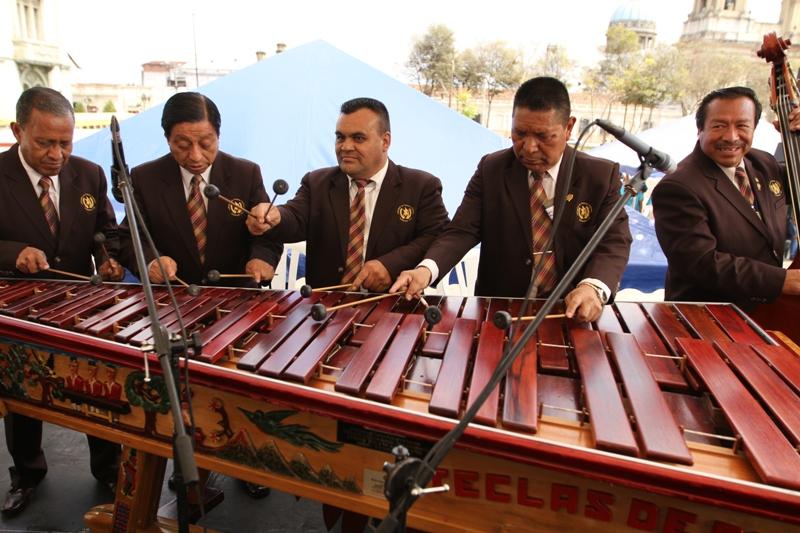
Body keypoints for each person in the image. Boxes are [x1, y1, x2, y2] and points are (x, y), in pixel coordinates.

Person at [391, 77, 632, 323]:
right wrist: (426, 270)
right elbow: (461, 231)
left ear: (569, 127)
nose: (528, 147)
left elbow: (614, 242)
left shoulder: (600, 176)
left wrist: (592, 287)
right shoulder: (491, 169)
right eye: (519, 133)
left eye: (543, 136)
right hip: (498, 315)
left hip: (569, 312)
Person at [0, 86, 123, 516]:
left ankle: (108, 467)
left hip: (80, 301)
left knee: (98, 383)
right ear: (18, 131)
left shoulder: (88, 175)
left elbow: (104, 231)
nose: (57, 154)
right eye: (45, 142)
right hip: (17, 307)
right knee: (22, 390)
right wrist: (12, 251)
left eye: (65, 143)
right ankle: (28, 473)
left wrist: (108, 259)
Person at [246, 97, 449, 292]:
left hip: (395, 307)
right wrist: (275, 216)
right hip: (325, 310)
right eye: (340, 137)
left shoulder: (421, 186)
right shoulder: (317, 183)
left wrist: (390, 265)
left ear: (385, 141)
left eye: (358, 138)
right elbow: (294, 217)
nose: (345, 146)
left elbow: (437, 236)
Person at [652, 86, 800, 306]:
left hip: (768, 311)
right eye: (719, 126)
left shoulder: (764, 163)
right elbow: (701, 263)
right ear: (700, 129)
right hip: (708, 318)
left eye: (742, 126)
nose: (731, 137)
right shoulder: (678, 186)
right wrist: (781, 280)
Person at [119, 92, 280, 286]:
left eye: (205, 144)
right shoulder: (145, 178)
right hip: (173, 297)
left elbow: (267, 233)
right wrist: (150, 262)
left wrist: (262, 258)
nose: (195, 156)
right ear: (167, 138)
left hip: (237, 296)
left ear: (218, 136)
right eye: (183, 145)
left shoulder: (245, 174)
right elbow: (130, 237)